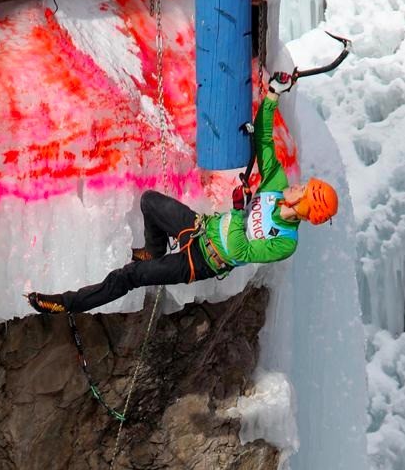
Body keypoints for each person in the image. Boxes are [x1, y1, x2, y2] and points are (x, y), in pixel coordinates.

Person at [27, 72, 338, 315]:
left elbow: (238, 251)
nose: (297, 186)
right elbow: (264, 142)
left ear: (305, 205)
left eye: (304, 189)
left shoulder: (284, 242)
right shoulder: (276, 186)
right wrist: (272, 95)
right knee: (149, 201)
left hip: (202, 260)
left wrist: (240, 211)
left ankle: (67, 304)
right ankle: (153, 251)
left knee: (129, 276)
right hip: (201, 227)